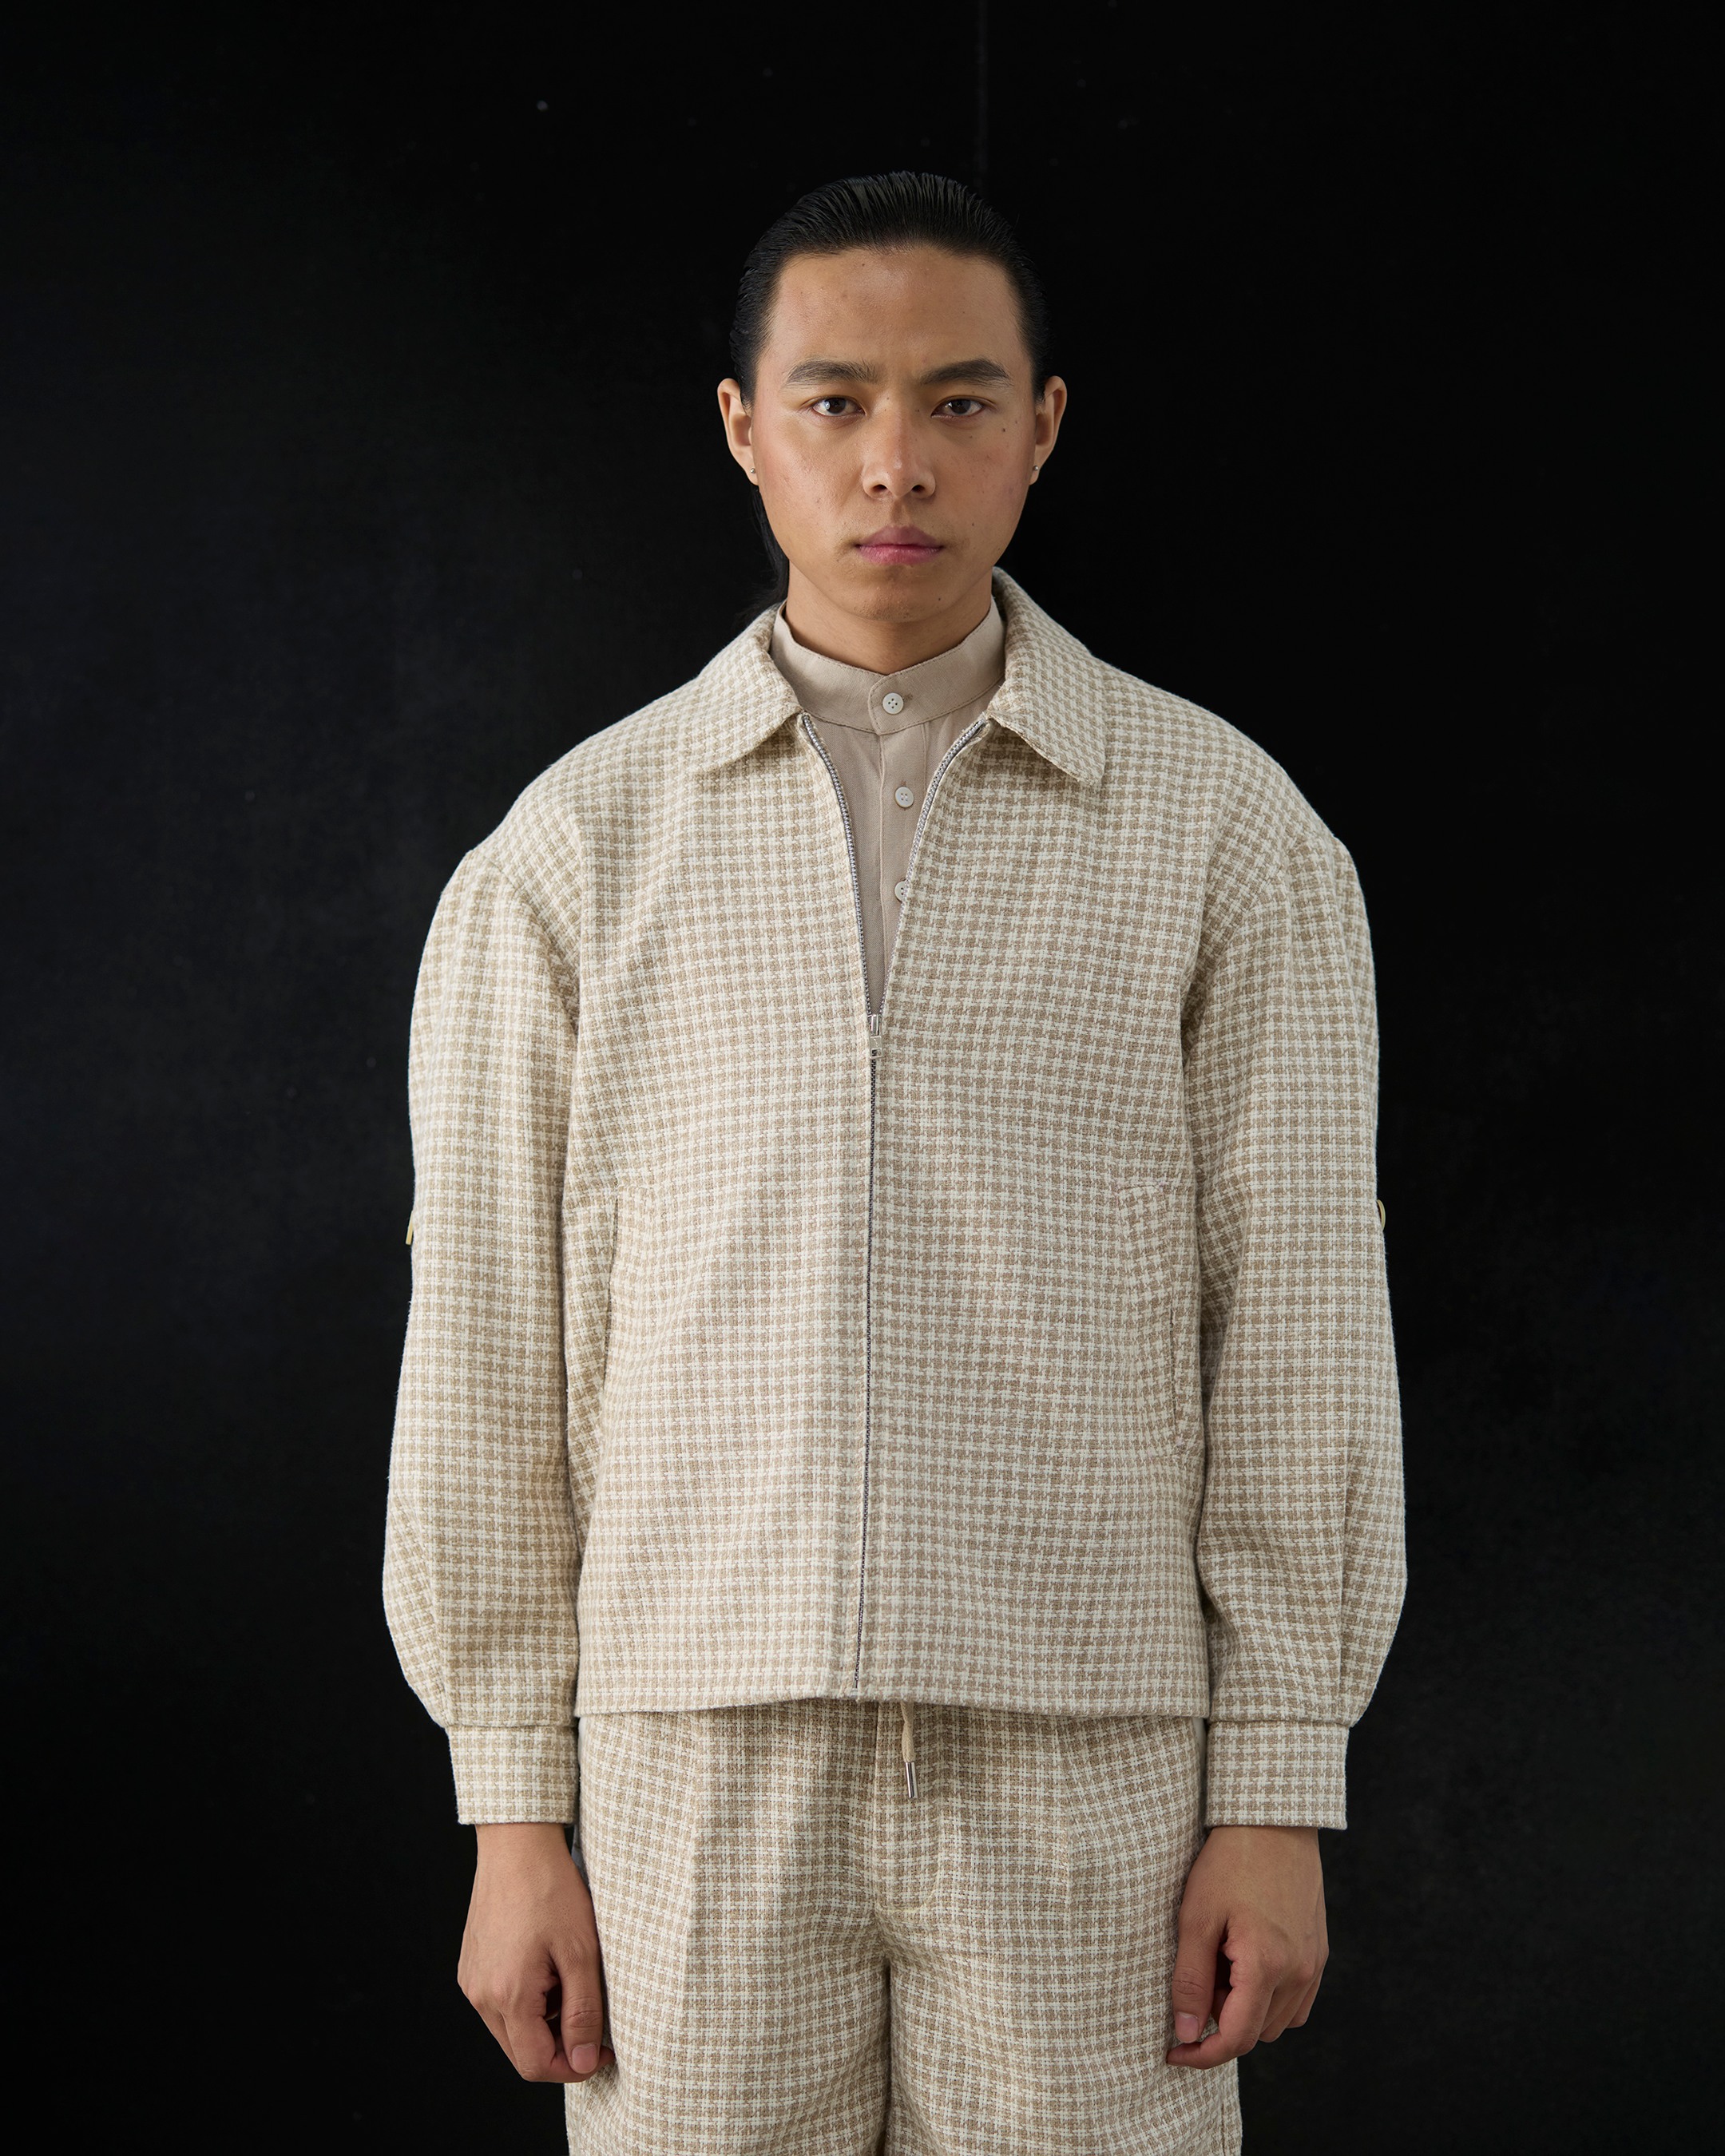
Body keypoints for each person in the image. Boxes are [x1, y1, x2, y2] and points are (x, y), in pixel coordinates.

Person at [383, 171, 1405, 2154]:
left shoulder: (1226, 836)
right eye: (836, 401)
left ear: (1043, 426)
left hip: (1093, 1754)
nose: (895, 463)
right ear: (742, 428)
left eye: (958, 400)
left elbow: (1299, 1317)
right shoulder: (574, 853)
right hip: (693, 1761)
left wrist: (1279, 1783)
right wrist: (511, 1806)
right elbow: (490, 1344)